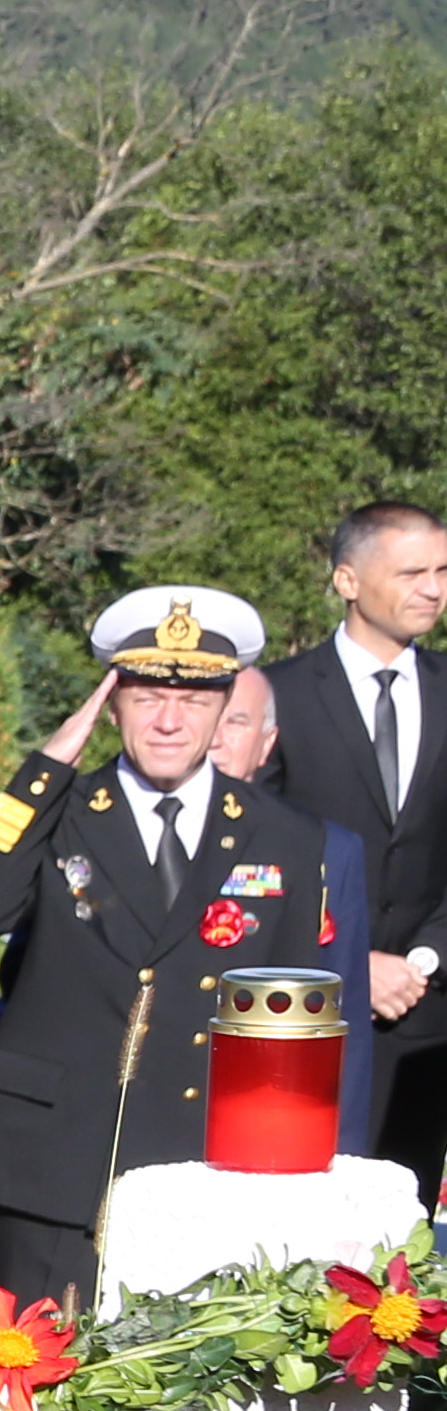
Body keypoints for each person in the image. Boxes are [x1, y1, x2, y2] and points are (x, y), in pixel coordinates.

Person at [0, 588, 375, 1313]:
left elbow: (289, 1018)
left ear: (223, 705)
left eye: (195, 701)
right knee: (30, 1392)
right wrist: (48, 765)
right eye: (145, 698)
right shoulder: (63, 810)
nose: (170, 721)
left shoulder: (286, 836)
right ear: (112, 705)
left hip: (204, 1160)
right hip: (59, 1160)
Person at [260, 502, 447, 1188]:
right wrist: (349, 959)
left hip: (425, 1018)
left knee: (401, 1252)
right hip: (303, 1014)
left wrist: (421, 959)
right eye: (411, 572)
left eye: (442, 571)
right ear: (346, 580)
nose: (432, 588)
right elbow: (254, 860)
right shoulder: (277, 696)